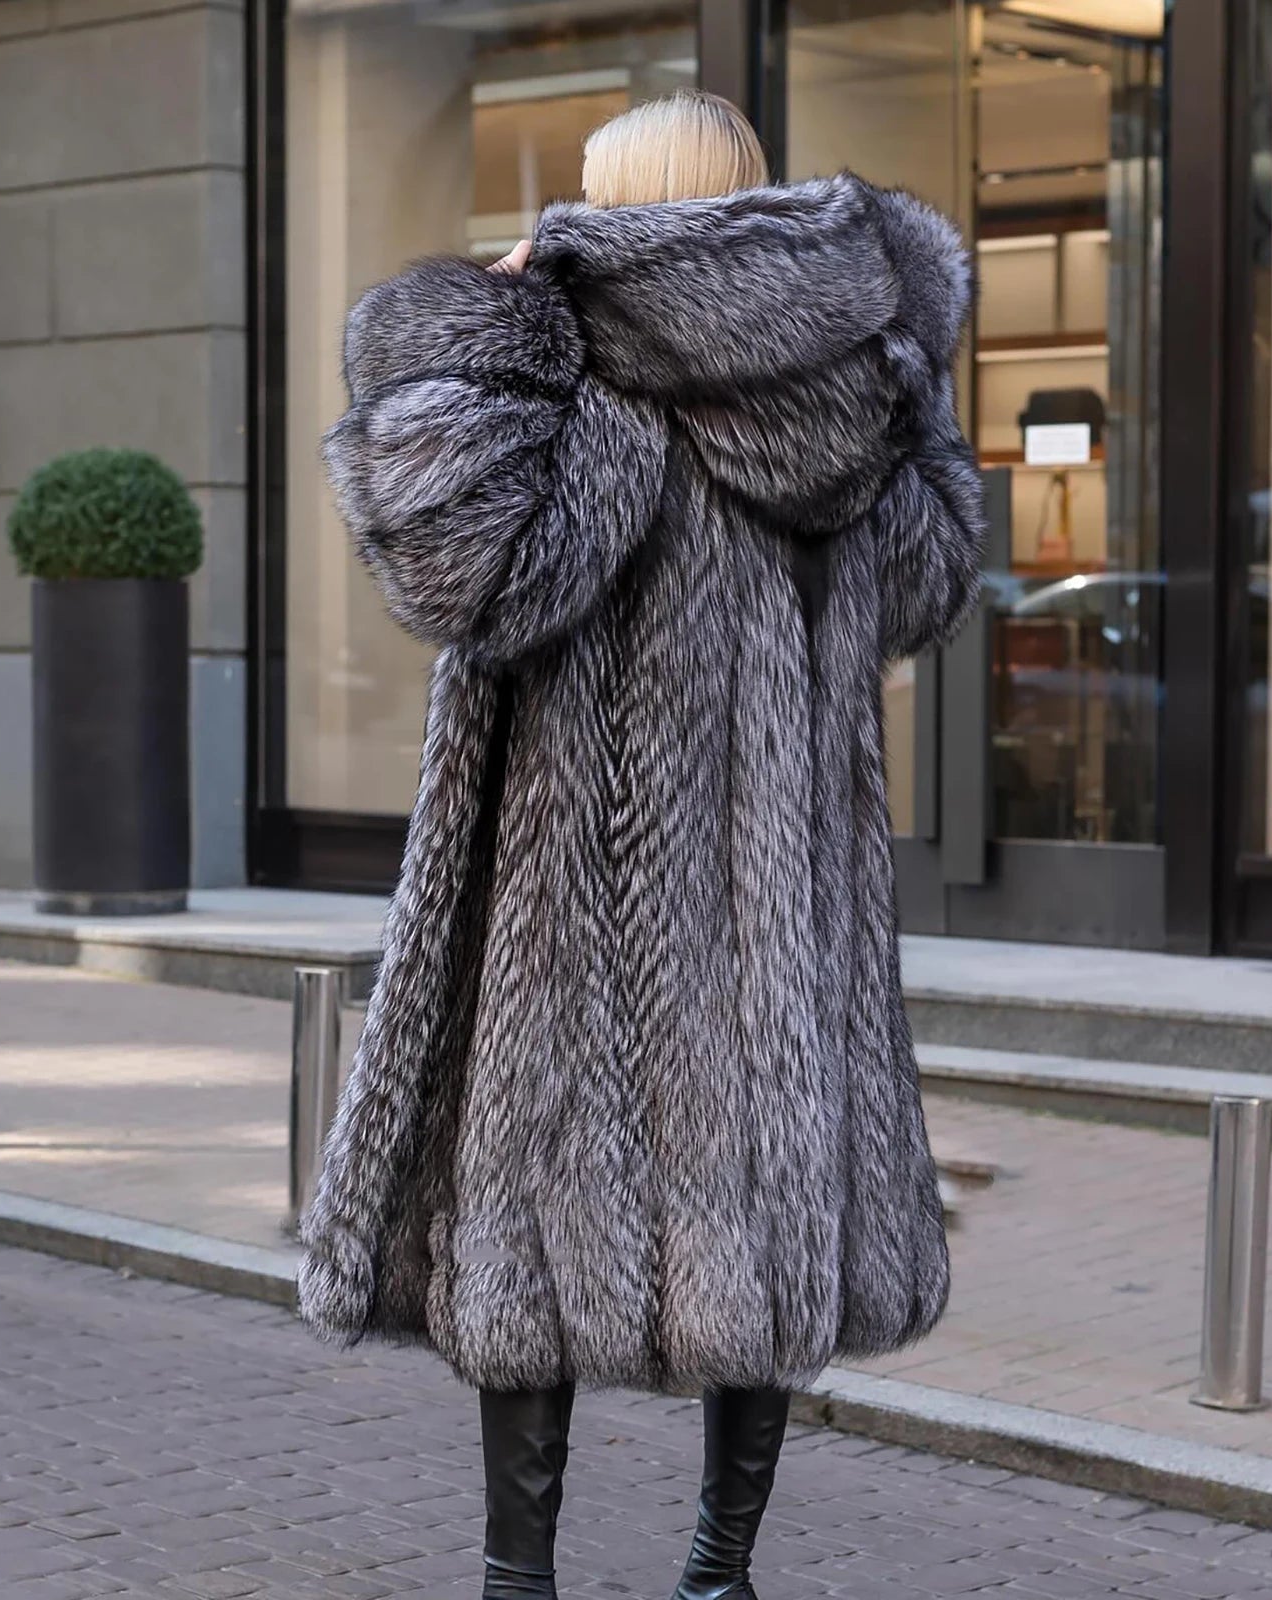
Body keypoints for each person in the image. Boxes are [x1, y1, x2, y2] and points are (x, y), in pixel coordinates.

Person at [300, 89, 985, 1600]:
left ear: (609, 205)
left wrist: (464, 339)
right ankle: (718, 1570)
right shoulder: (851, 397)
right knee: (769, 1204)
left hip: (582, 897)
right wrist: (904, 387)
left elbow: (459, 572)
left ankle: (517, 1580)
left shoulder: (581, 389)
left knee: (534, 1240)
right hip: (775, 915)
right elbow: (930, 583)